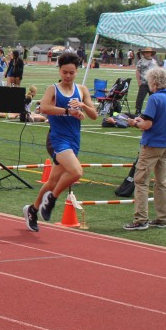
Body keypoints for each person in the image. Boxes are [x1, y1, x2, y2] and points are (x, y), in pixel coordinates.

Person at [23, 53, 98, 232]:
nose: (68, 76)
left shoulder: (82, 90)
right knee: (76, 172)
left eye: (71, 72)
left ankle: (32, 210)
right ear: (59, 71)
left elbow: (94, 115)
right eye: (64, 72)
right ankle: (52, 199)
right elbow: (44, 107)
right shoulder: (53, 89)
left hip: (74, 139)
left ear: (77, 72)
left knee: (52, 181)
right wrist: (67, 111)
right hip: (57, 138)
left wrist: (82, 106)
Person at [123, 67, 166, 230]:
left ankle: (141, 219)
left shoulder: (154, 98)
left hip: (152, 143)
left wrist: (134, 123)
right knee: (162, 182)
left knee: (141, 181)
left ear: (154, 82)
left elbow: (147, 124)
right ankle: (163, 217)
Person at [134, 47, 158, 114]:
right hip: (143, 83)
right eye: (146, 52)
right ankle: (138, 111)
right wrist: (139, 81)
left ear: (151, 53)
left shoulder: (154, 62)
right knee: (140, 98)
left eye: (148, 52)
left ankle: (153, 111)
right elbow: (138, 71)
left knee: (153, 98)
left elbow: (156, 72)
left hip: (152, 83)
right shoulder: (141, 61)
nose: (147, 53)